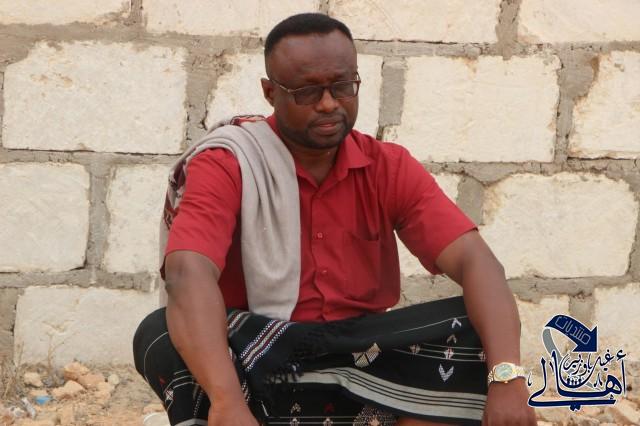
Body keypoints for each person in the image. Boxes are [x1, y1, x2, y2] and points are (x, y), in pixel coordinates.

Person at [133, 13, 536, 426]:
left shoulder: (386, 166)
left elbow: (476, 261)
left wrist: (507, 376)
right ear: (270, 93)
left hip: (362, 355)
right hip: (259, 356)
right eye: (307, 91)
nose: (328, 103)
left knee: (474, 324)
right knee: (160, 333)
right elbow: (187, 272)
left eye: (342, 86)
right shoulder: (230, 163)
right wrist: (226, 400)